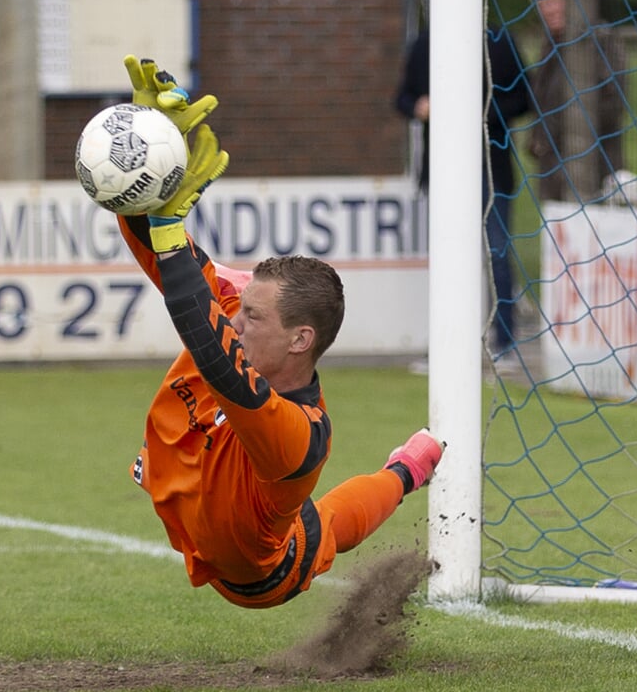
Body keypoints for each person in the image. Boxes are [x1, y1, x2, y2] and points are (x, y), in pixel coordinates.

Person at [118, 55, 445, 609]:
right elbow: (160, 254)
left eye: (254, 317)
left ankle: (407, 470)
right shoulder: (231, 310)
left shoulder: (298, 435)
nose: (234, 320)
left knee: (328, 526)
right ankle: (409, 466)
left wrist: (173, 233)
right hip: (199, 500)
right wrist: (149, 164)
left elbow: (220, 363)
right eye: (239, 306)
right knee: (325, 519)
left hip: (259, 575)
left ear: (301, 340)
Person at [394, 26, 532, 356]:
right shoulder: (426, 42)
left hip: (490, 169)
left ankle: (505, 343)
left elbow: (524, 97)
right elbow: (401, 97)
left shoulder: (499, 42)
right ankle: (449, 347)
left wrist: (477, 113)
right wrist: (418, 106)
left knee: (497, 252)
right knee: (447, 257)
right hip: (442, 171)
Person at [526, 0, 627, 203]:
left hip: (595, 172)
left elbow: (613, 103)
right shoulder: (548, 45)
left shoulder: (601, 40)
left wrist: (563, 132)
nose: (551, 9)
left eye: (557, 0)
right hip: (552, 175)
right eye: (544, 3)